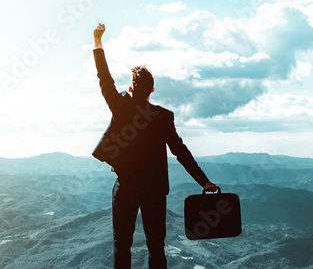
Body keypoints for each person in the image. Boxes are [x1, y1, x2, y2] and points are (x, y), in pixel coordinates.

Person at [91, 23, 218, 269]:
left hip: (125, 188)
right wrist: (204, 181)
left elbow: (104, 77)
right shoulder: (163, 117)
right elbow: (181, 152)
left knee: (122, 246)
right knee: (156, 247)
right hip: (155, 192)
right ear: (152, 89)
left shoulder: (121, 106)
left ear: (130, 88)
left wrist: (97, 40)